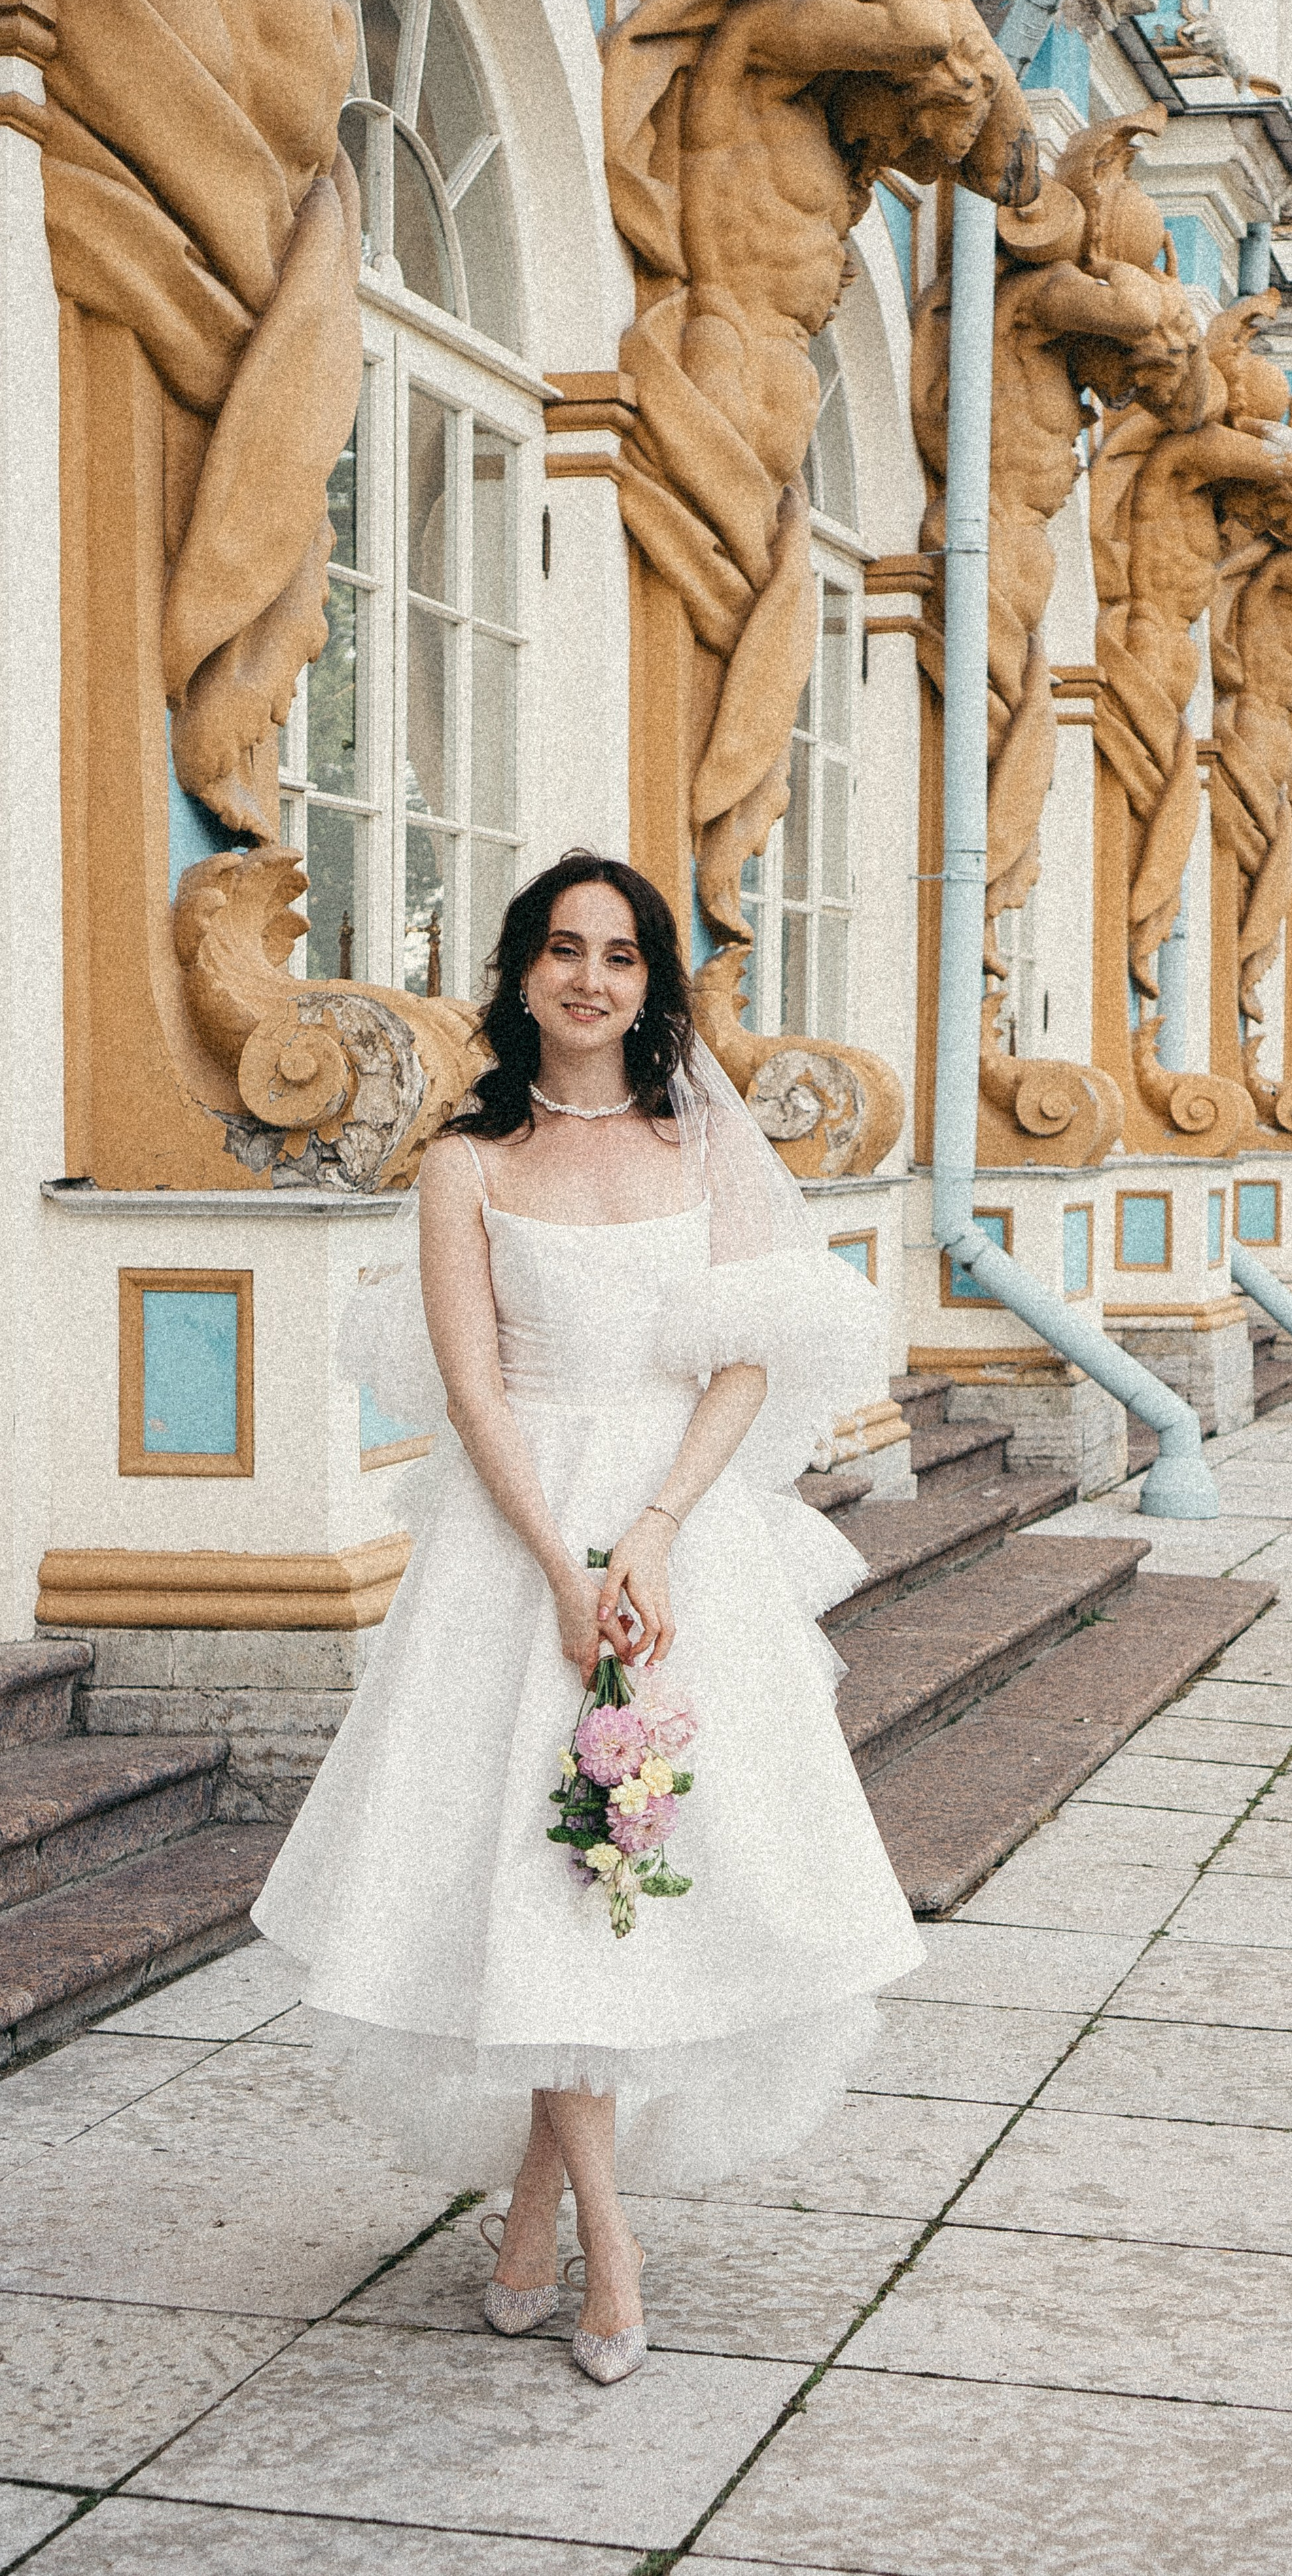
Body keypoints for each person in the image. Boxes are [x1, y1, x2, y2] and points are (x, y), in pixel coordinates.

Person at [251, 852, 924, 2385]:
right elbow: (473, 1388)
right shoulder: (464, 1164)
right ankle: (609, 2258)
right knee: (539, 1880)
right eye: (564, 950)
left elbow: (750, 1356)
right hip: (517, 1543)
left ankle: (534, 2224)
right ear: (520, 969)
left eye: (621, 956)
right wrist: (561, 1565)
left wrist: (660, 1533)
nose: (591, 980)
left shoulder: (698, 1146)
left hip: (676, 1533)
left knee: (626, 1875)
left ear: (650, 982)